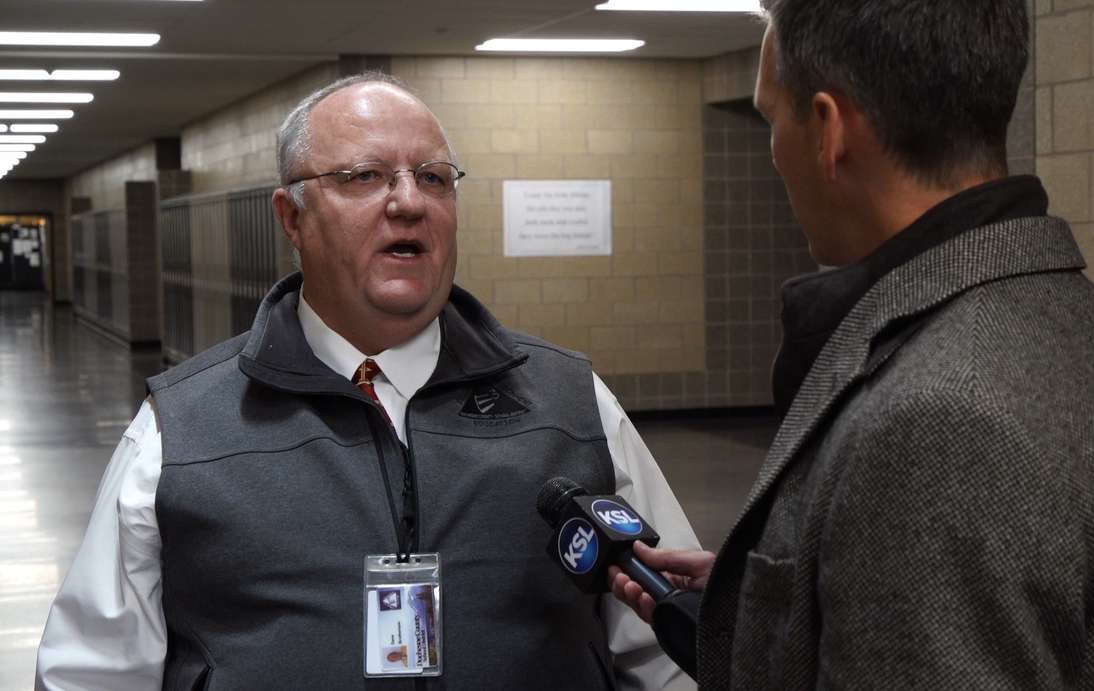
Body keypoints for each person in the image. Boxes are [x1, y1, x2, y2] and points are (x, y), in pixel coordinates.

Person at [610, 1, 1094, 688]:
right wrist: (786, 596)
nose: (772, 147)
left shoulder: (938, 422)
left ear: (829, 130)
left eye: (771, 116)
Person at [37, 72, 701, 690]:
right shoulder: (178, 430)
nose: (409, 202)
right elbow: (90, 673)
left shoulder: (571, 402)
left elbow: (675, 648)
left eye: (435, 178)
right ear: (291, 217)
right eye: (364, 176)